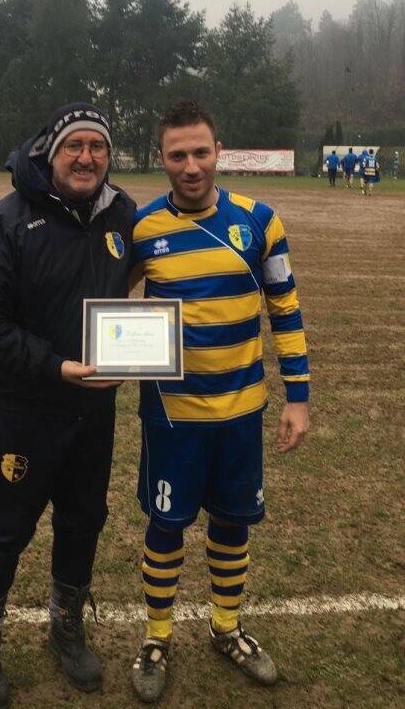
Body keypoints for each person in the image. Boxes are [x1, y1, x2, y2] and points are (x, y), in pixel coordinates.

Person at [0, 102, 135, 709]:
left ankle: (67, 628)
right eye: (74, 146)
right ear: (48, 152)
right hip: (26, 414)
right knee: (3, 531)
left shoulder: (124, 217)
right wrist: (54, 365)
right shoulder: (3, 224)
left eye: (98, 147)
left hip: (95, 416)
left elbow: (138, 282)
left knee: (83, 523)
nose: (87, 157)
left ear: (109, 157)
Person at [129, 100, 310, 702]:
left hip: (240, 413)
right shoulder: (143, 228)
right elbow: (101, 301)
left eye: (200, 152)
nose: (190, 165)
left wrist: (298, 397)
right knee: (166, 525)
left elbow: (284, 307)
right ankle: (157, 637)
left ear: (218, 153)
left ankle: (226, 628)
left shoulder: (261, 220)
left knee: (232, 523)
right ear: (162, 159)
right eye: (177, 155)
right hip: (172, 415)